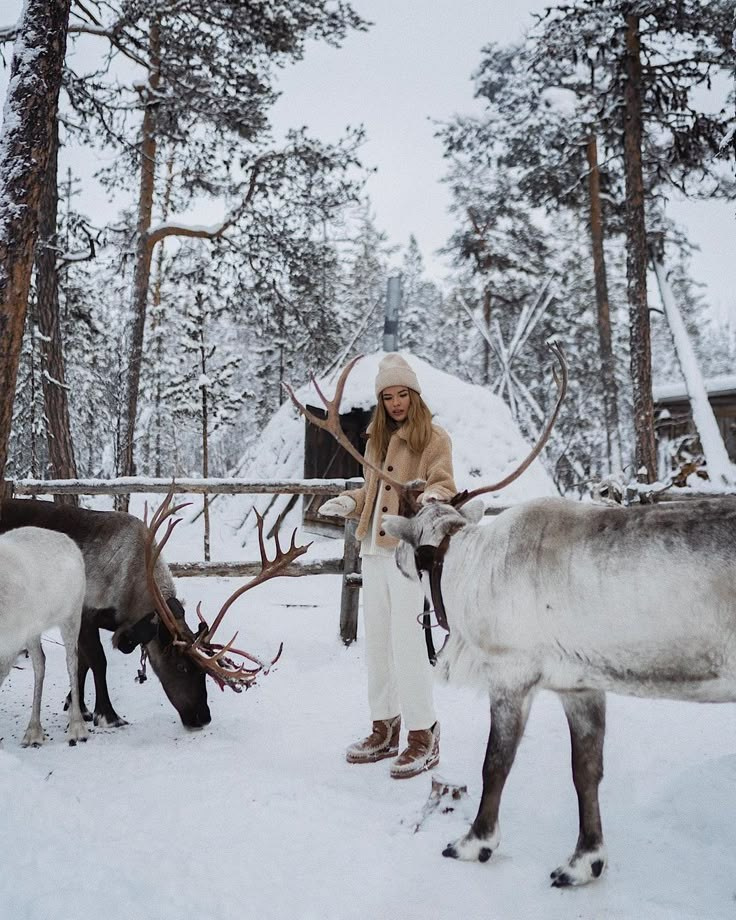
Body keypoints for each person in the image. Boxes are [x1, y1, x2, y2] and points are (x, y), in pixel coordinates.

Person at [318, 353, 456, 779]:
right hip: (372, 551)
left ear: (414, 395)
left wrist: (432, 497)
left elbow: (442, 481)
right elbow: (372, 490)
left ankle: (423, 732)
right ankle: (384, 725)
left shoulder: (434, 437)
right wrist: (352, 502)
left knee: (409, 645)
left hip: (406, 556)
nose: (396, 403)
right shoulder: (375, 439)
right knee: (376, 647)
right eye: (388, 397)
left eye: (402, 395)